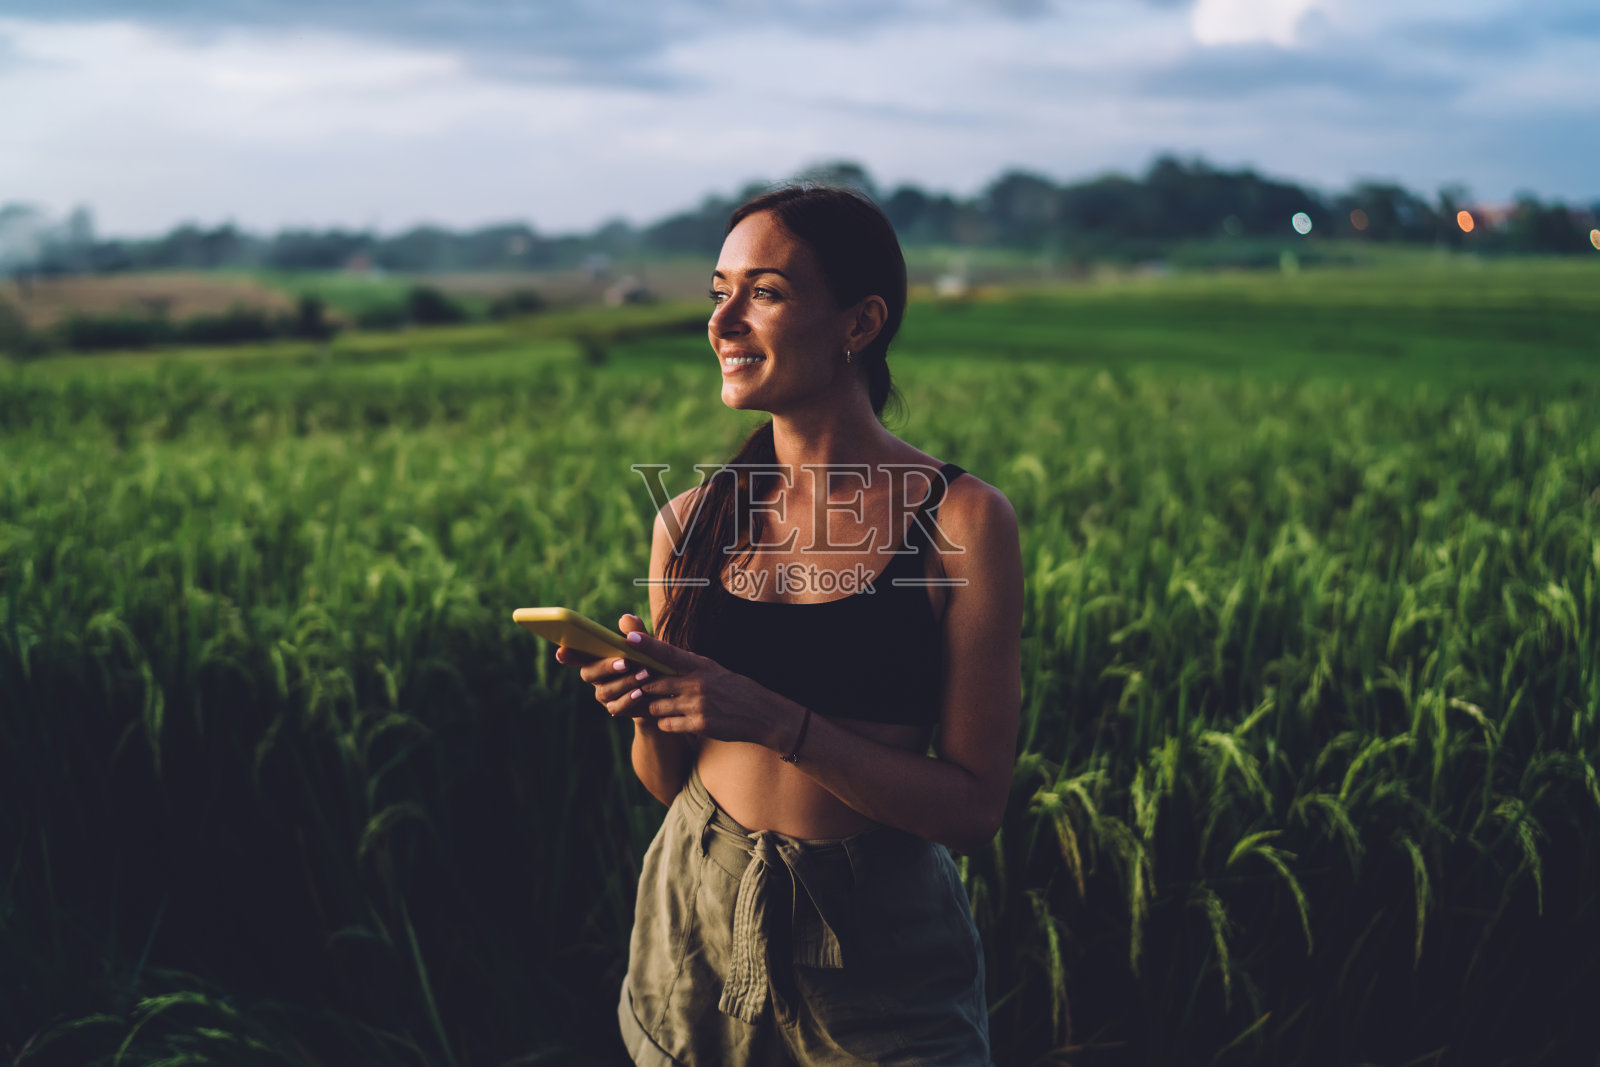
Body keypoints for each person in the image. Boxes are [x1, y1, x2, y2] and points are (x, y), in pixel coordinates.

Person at [555, 184, 1023, 1065]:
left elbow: (973, 810)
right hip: (694, 920)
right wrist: (642, 705)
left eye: (763, 292)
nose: (723, 321)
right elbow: (666, 783)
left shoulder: (959, 521)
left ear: (859, 323)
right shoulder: (689, 521)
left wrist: (773, 719)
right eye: (718, 292)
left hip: (876, 948)